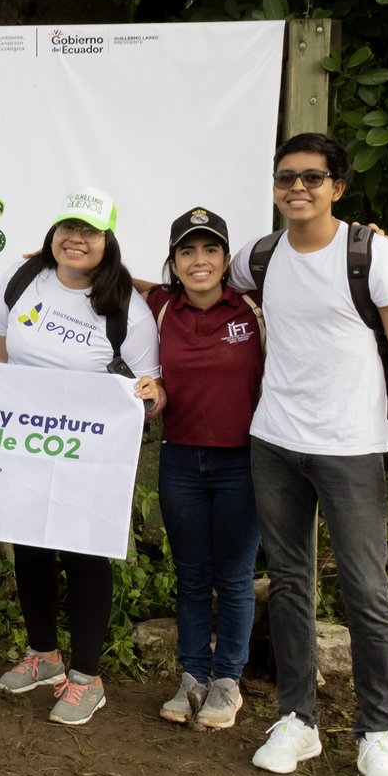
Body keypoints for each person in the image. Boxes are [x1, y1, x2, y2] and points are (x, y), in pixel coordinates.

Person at [229, 133, 388, 776]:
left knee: (366, 591)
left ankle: (378, 734)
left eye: (313, 177)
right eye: (287, 177)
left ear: (337, 186)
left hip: (352, 447)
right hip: (275, 441)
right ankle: (297, 719)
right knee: (288, 583)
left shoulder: (373, 254)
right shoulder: (259, 255)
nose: (298, 188)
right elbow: (191, 281)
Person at [0, 187, 160, 725]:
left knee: (85, 553)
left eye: (89, 231)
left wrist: (148, 400)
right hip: (24, 443)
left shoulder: (127, 306)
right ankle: (43, 657)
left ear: (108, 242)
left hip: (87, 454)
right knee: (31, 549)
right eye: (68, 228)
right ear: (53, 234)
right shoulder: (21, 281)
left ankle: (87, 677)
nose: (76, 239)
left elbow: (154, 389)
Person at [137, 208, 264, 729]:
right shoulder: (161, 306)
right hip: (181, 460)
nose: (199, 260)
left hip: (244, 461)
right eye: (187, 251)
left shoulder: (255, 307)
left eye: (210, 250)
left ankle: (228, 682)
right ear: (173, 262)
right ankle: (192, 676)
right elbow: (110, 275)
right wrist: (45, 262)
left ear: (226, 258)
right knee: (190, 577)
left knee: (233, 578)